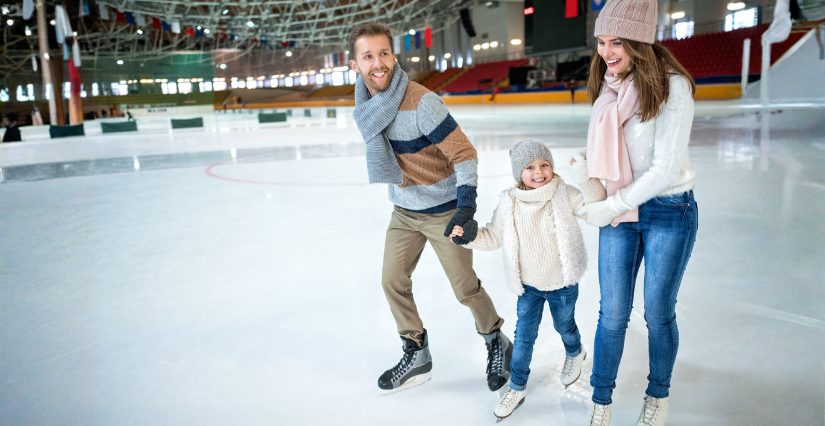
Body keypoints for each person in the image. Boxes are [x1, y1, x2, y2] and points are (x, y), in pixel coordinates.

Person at [348, 21, 512, 396]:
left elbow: (465, 154)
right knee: (392, 280)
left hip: (443, 211)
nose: (377, 63)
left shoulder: (422, 103)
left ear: (394, 56)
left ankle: (496, 341)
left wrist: (465, 208)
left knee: (465, 289)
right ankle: (416, 353)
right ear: (355, 65)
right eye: (368, 56)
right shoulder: (367, 107)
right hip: (404, 212)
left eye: (383, 53)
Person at [578, 1, 698, 425]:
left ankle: (657, 396)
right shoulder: (610, 85)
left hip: (668, 209)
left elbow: (664, 168)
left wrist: (611, 205)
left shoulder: (673, 87)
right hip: (622, 212)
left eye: (616, 42)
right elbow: (612, 154)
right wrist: (585, 174)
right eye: (601, 42)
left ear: (639, 41)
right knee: (612, 314)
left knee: (657, 313)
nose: (606, 52)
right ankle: (601, 400)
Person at [449, 140, 607, 420]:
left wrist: (585, 178)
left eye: (544, 164)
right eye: (530, 167)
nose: (539, 172)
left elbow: (594, 209)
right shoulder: (509, 201)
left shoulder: (563, 192)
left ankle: (575, 352)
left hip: (562, 284)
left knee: (564, 325)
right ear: (518, 173)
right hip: (529, 288)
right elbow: (493, 236)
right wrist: (468, 238)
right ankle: (517, 387)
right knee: (523, 338)